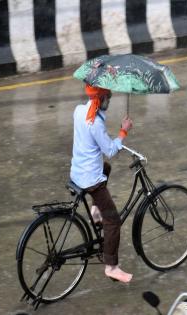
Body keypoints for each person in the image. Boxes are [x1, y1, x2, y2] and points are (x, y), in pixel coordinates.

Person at [70, 84, 133, 283]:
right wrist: (123, 132)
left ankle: (95, 210)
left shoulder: (79, 111)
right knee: (113, 220)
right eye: (108, 96)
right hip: (90, 180)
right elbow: (111, 150)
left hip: (77, 172)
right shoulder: (95, 123)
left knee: (105, 168)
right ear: (102, 98)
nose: (110, 99)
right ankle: (111, 266)